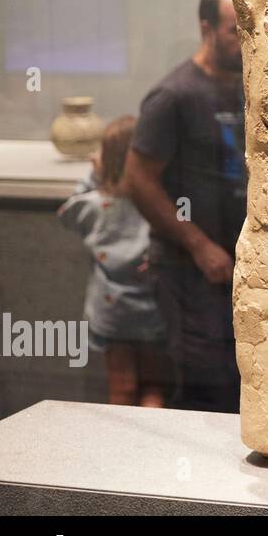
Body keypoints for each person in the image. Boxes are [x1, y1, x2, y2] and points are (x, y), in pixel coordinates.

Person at [124, 0, 246, 412]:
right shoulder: (173, 96)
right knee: (205, 388)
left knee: (244, 382)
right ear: (206, 28)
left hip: (242, 265)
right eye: (235, 29)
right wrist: (199, 246)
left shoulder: (252, 86)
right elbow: (137, 181)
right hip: (192, 271)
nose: (244, 38)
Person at [57, 115, 169, 407]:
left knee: (122, 387)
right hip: (153, 308)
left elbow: (67, 211)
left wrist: (94, 174)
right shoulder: (158, 203)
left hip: (112, 312)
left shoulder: (95, 205)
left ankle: (118, 450)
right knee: (154, 386)